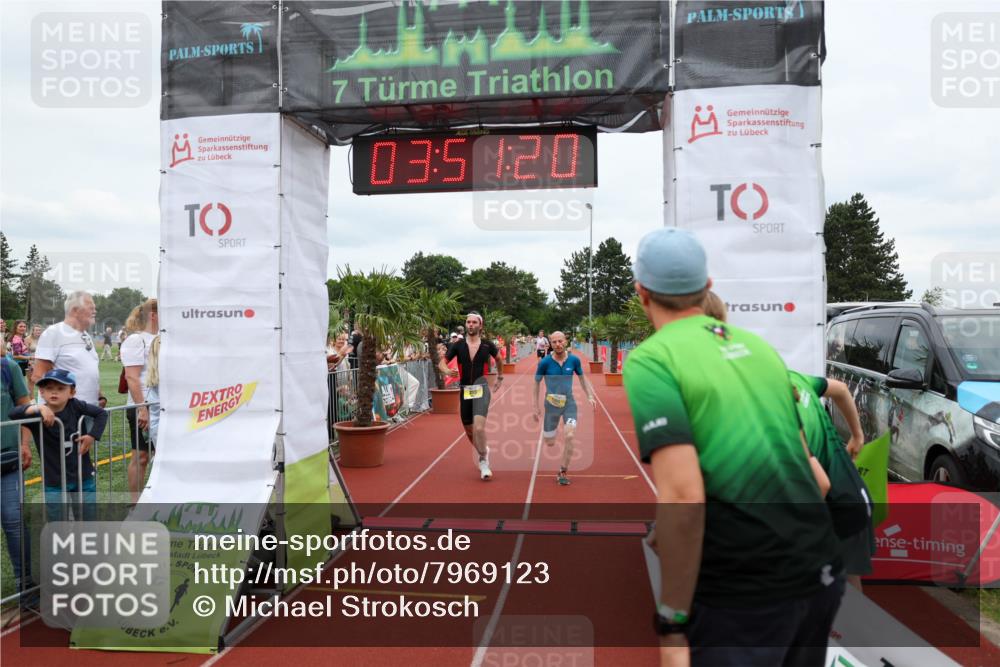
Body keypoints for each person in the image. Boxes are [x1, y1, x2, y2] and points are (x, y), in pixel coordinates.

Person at [624, 228, 842, 667]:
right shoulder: (761, 349)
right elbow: (817, 479)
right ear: (706, 286)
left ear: (641, 292)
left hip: (744, 595)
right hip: (820, 572)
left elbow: (684, 498)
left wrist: (671, 622)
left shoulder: (652, 360)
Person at [703, 291, 873, 591]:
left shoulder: (763, 408)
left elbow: (815, 484)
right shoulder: (796, 379)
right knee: (845, 587)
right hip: (849, 496)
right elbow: (842, 390)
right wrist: (857, 436)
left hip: (828, 502)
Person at [11, 369, 108, 521]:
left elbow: (102, 414)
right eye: (49, 388)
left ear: (72, 392)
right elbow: (13, 414)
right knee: (57, 521)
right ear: (41, 392)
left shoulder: (76, 406)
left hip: (83, 476)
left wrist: (91, 435)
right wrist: (38, 407)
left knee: (88, 518)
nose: (54, 392)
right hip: (54, 480)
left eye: (61, 388)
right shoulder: (38, 414)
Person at [439, 312, 503, 480]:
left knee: (479, 427)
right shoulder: (457, 345)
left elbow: (499, 359)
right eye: (468, 322)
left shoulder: (488, 345)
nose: (471, 325)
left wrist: (500, 376)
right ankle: (483, 450)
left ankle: (483, 461)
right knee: (469, 430)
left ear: (480, 326)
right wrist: (447, 371)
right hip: (465, 389)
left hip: (481, 388)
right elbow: (442, 363)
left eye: (474, 322)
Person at [533, 331, 595, 486]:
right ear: (550, 344)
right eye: (554, 342)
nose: (558, 344)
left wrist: (590, 396)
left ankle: (563, 471)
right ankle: (550, 434)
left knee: (569, 435)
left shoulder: (574, 360)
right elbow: (536, 383)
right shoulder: (545, 363)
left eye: (560, 341)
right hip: (551, 405)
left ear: (566, 341)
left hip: (569, 404)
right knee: (549, 442)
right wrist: (535, 406)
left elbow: (582, 379)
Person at [33, 291, 104, 408]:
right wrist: (56, 408)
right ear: (75, 310)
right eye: (91, 308)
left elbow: (86, 371)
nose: (95, 311)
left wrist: (100, 396)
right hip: (65, 415)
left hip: (89, 410)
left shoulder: (86, 335)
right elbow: (39, 375)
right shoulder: (53, 333)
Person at [1, 338, 32, 591]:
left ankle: (26, 587)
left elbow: (25, 407)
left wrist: (24, 444)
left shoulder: (7, 367)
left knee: (14, 522)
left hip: (7, 459)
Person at [121, 299, 157, 503]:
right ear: (153, 315)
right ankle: (135, 503)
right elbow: (132, 377)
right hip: (142, 406)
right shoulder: (136, 340)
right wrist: (142, 408)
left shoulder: (163, 338)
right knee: (141, 457)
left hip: (162, 407)